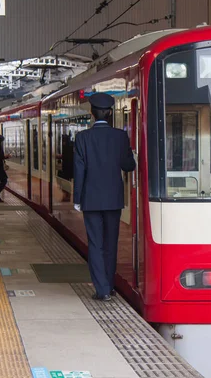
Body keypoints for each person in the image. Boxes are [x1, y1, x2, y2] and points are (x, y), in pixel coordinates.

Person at [73, 93, 136, 301]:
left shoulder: (82, 138)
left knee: (95, 244)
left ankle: (101, 290)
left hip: (90, 200)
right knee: (111, 244)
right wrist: (131, 156)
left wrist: (77, 199)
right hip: (113, 200)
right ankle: (109, 287)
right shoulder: (120, 137)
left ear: (92, 114)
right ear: (110, 113)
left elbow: (79, 170)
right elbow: (128, 166)